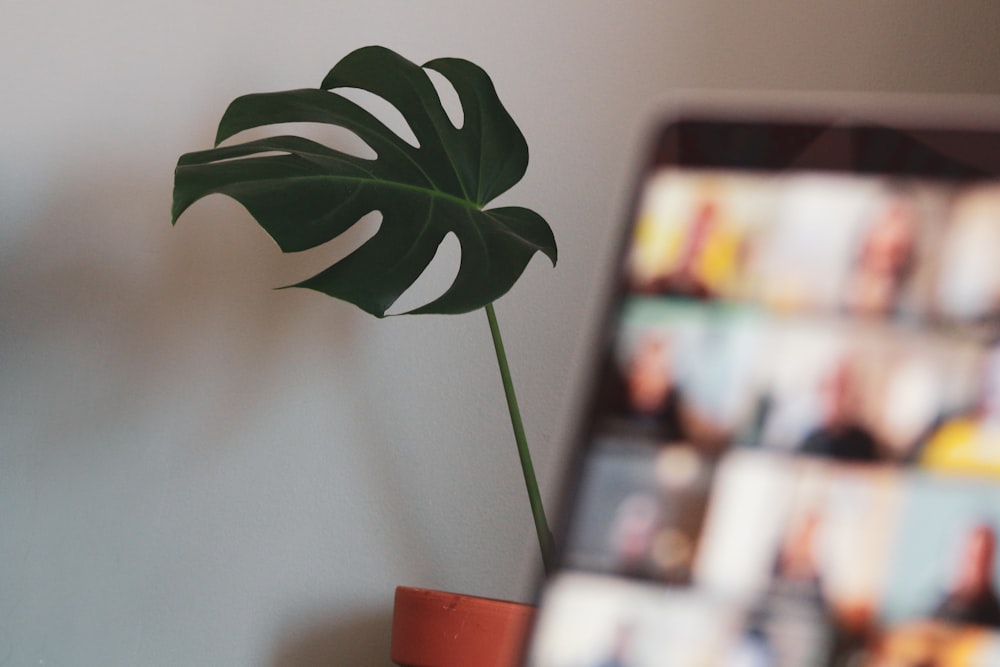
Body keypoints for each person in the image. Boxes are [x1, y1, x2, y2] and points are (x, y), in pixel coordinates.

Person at [843, 196, 919, 317]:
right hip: (866, 271)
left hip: (886, 277)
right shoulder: (879, 226)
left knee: (877, 302)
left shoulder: (903, 230)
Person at [799, 358, 881, 462]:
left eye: (843, 388)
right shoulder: (809, 442)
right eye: (831, 388)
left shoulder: (866, 444)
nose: (835, 397)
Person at [932, 523, 1000, 628]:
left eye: (984, 558)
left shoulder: (996, 615)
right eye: (974, 557)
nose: (978, 566)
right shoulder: (938, 609)